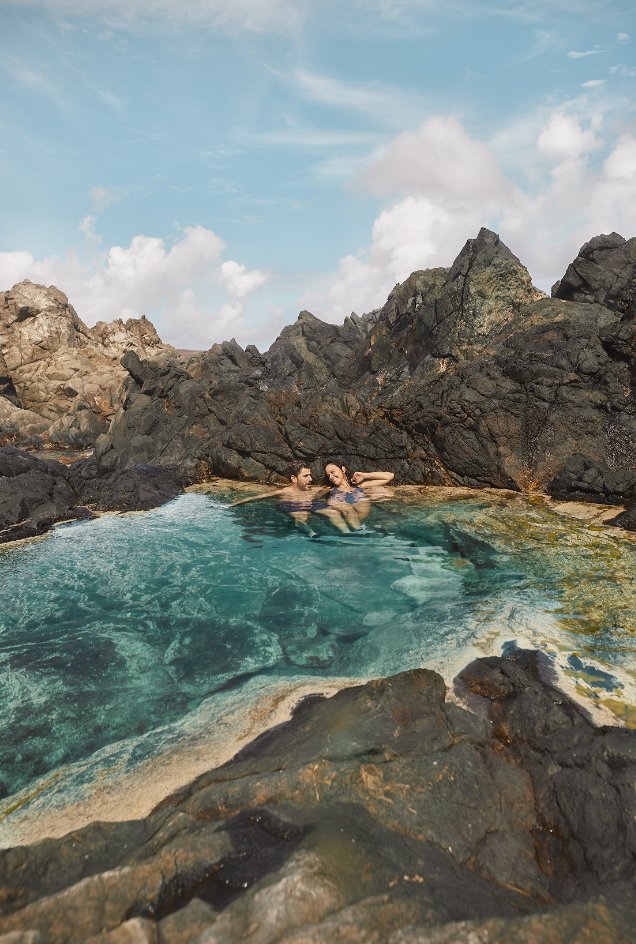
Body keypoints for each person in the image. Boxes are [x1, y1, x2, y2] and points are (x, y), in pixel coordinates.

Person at [230, 463, 319, 531]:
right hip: (289, 516)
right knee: (300, 514)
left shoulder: (309, 489)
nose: (310, 479)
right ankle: (311, 533)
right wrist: (232, 505)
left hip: (301, 517)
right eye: (306, 476)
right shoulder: (284, 492)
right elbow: (258, 498)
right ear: (294, 478)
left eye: (310, 475)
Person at [314, 461, 394, 533]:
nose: (331, 477)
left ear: (343, 469)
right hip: (350, 525)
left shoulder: (360, 486)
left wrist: (364, 475)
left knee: (368, 498)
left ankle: (362, 530)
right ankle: (359, 531)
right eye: (328, 475)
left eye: (332, 472)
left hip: (366, 522)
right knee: (347, 508)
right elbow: (314, 497)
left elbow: (390, 476)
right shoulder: (329, 489)